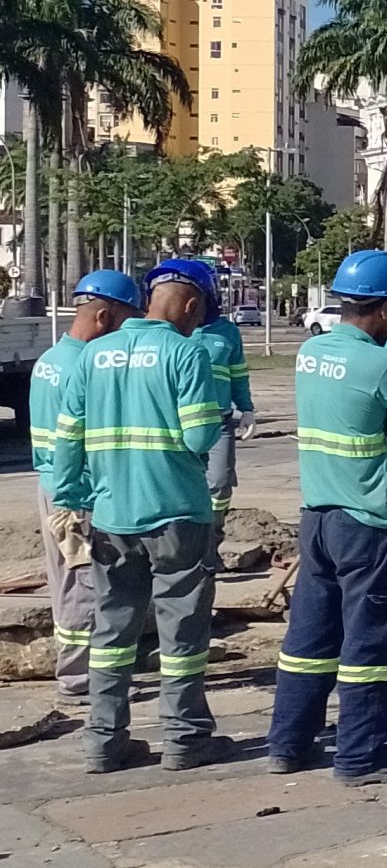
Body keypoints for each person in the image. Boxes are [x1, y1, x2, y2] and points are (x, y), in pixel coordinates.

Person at [45, 259, 230, 772]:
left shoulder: (93, 356)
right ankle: (185, 739)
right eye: (200, 314)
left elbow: (68, 439)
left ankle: (104, 742)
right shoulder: (186, 354)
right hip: (176, 515)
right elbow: (199, 437)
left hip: (110, 516)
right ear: (191, 306)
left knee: (112, 630)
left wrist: (70, 499)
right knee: (183, 632)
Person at [267, 250, 387, 786]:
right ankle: (360, 756)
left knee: (310, 636)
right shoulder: (384, 363)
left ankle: (288, 744)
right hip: (369, 522)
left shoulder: (310, 353)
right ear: (384, 310)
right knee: (373, 640)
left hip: (317, 516)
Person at [32, 271, 142, 703]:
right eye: (123, 320)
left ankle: (80, 670)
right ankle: (81, 679)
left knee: (66, 582)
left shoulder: (51, 360)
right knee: (86, 583)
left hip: (53, 485)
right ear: (102, 315)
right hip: (78, 491)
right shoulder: (85, 366)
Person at [196, 288, 255, 536]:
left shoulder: (227, 331)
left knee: (220, 482)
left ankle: (213, 536)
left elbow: (238, 374)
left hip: (220, 422)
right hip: (179, 424)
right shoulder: (173, 330)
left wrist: (247, 409)